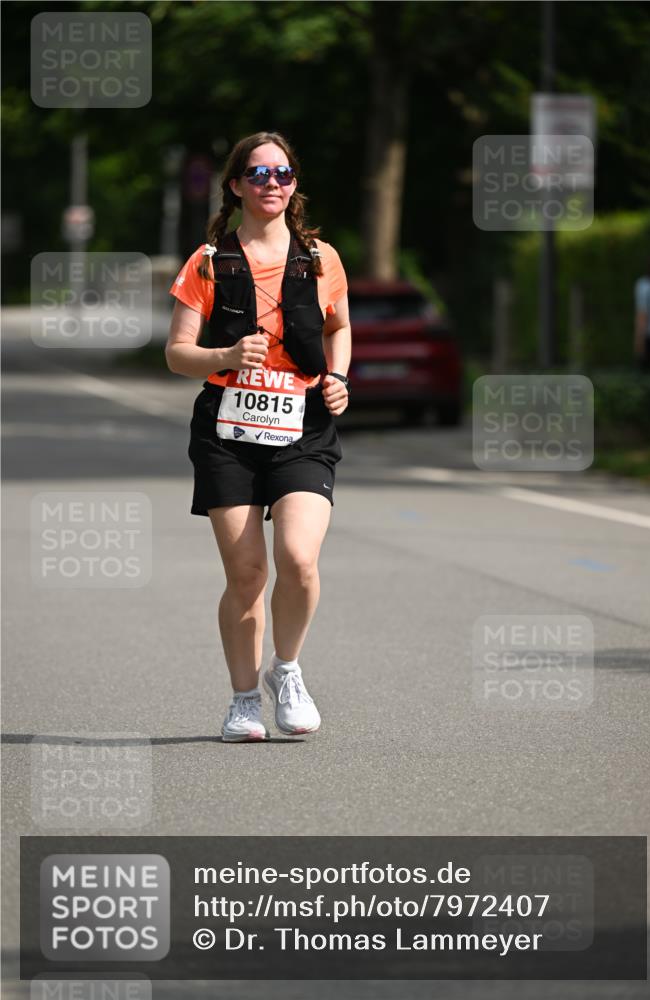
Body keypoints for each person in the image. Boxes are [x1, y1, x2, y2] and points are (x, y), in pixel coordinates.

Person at [165, 131, 351, 742]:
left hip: (302, 425)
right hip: (228, 428)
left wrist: (340, 376)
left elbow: (338, 327)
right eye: (261, 173)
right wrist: (223, 352)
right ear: (237, 184)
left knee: (298, 560)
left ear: (294, 185)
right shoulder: (207, 261)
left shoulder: (320, 258)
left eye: (285, 173)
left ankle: (286, 670)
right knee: (247, 574)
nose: (274, 183)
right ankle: (244, 699)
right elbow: (177, 355)